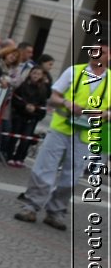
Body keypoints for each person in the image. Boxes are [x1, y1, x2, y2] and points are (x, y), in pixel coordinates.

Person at [16, 41, 107, 228]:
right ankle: (31, 207)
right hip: (61, 128)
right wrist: (66, 103)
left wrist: (105, 114)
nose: (96, 54)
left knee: (71, 176)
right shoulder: (74, 71)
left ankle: (56, 211)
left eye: (102, 52)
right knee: (44, 169)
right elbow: (53, 96)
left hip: (86, 134)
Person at [4, 64, 54, 166]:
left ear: (42, 76)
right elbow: (16, 99)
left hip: (32, 117)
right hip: (20, 114)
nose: (36, 75)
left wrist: (36, 111)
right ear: (30, 73)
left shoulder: (43, 89)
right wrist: (24, 107)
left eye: (38, 74)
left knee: (26, 139)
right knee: (14, 136)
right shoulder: (23, 85)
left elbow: (42, 103)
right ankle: (9, 156)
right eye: (34, 73)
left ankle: (20, 158)